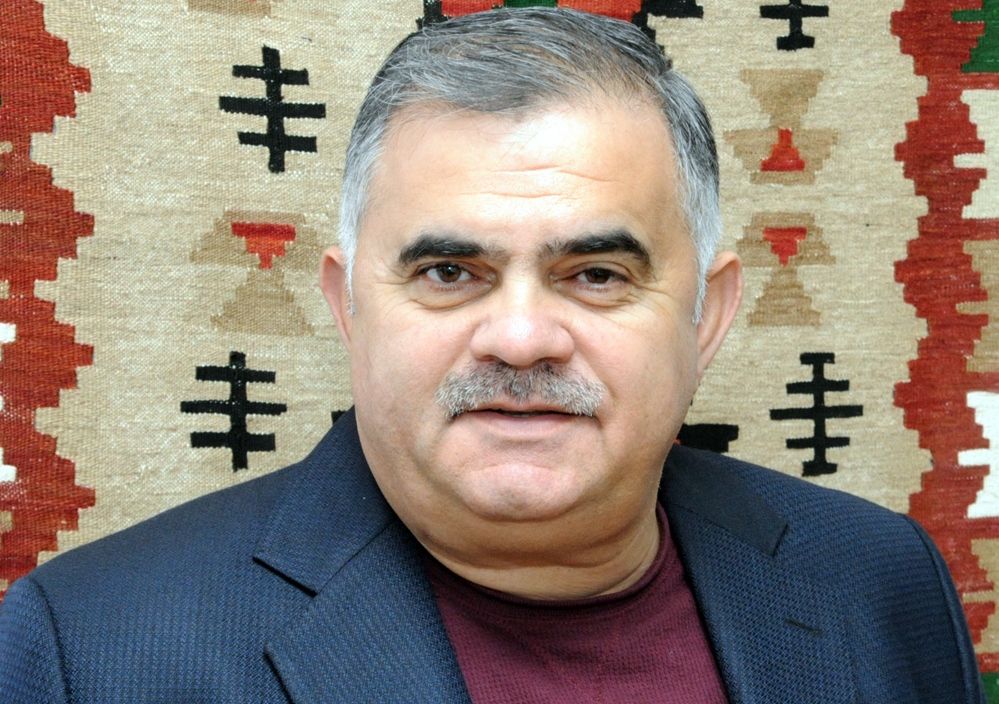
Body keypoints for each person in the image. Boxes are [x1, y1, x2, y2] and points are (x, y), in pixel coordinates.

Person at [0, 7, 984, 703]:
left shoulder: (878, 581)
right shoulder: (91, 650)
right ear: (348, 307)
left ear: (708, 315)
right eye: (448, 272)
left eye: (595, 273)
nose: (520, 338)